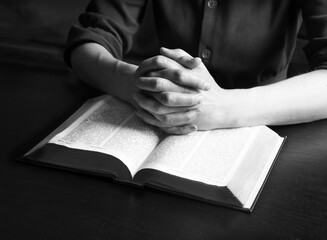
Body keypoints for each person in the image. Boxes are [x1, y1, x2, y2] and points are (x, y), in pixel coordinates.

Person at [64, 0, 327, 135]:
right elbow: (89, 41)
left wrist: (224, 108)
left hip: (269, 119)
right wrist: (138, 86)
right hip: (162, 116)